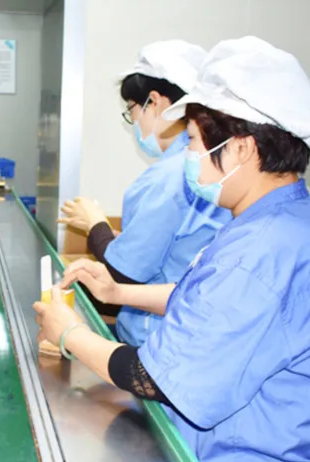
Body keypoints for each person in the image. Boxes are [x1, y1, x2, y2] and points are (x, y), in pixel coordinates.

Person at [35, 36, 310, 462]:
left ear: (242, 148)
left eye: (194, 141)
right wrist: (118, 292)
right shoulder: (282, 217)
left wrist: (69, 334)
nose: (189, 156)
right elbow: (210, 301)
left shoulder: (263, 248)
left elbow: (153, 378)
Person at [59, 40, 232, 347]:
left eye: (132, 110)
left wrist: (96, 224)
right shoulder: (205, 166)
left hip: (155, 339)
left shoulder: (170, 175)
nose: (135, 122)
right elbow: (169, 248)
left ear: (155, 102)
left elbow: (123, 274)